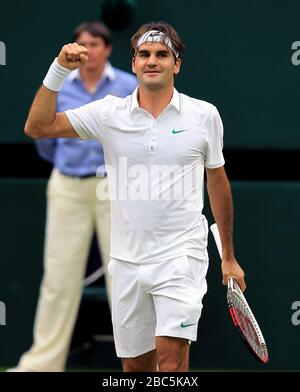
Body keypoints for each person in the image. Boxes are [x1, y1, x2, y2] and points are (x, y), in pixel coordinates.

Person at [24, 21, 246, 372]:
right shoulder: (108, 112)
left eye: (162, 54)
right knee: (135, 370)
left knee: (171, 362)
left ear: (177, 64)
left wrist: (229, 256)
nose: (152, 60)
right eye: (144, 54)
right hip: (126, 261)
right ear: (134, 63)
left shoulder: (205, 116)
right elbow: (37, 127)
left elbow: (217, 183)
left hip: (181, 257)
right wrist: (59, 70)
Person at [12, 21, 137, 372]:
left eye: (94, 44)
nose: (87, 50)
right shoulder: (60, 85)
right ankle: (41, 363)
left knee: (124, 275)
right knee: (58, 277)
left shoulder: (128, 86)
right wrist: (68, 165)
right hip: (67, 186)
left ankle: (141, 364)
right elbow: (44, 137)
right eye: (81, 43)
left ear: (107, 49)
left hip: (113, 187)